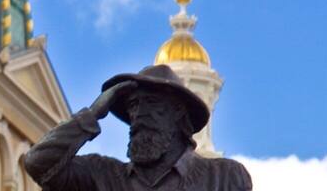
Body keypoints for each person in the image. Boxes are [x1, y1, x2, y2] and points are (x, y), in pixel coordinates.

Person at [21, 64, 252, 190]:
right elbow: (37, 164)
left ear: (179, 112)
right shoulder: (102, 176)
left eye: (152, 104)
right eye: (132, 106)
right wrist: (92, 114)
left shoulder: (223, 177)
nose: (139, 115)